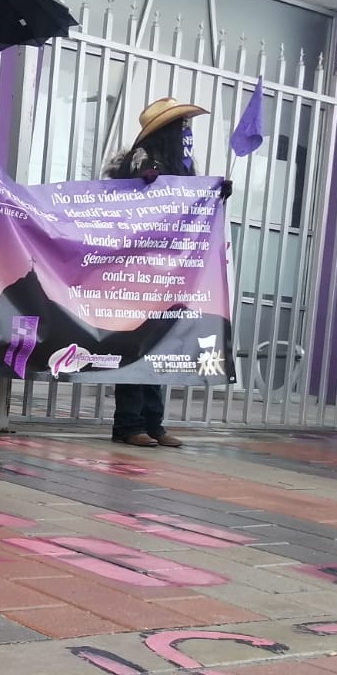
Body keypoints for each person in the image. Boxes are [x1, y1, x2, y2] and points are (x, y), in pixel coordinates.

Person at [104, 98, 233, 447]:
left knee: (160, 346)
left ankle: (154, 423)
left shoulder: (183, 167)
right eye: (181, 127)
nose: (187, 132)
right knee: (136, 345)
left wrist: (215, 195)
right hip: (138, 270)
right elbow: (125, 208)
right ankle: (128, 425)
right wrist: (143, 184)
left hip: (170, 271)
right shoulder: (141, 160)